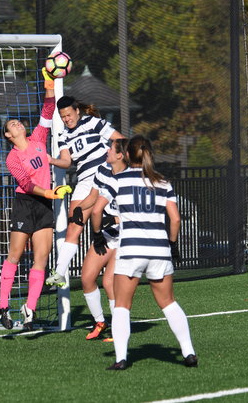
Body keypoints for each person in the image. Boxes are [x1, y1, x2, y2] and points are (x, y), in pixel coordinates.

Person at [91, 135, 197, 370]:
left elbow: (97, 211)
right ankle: (188, 352)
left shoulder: (118, 179)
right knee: (168, 303)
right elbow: (175, 219)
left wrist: (97, 235)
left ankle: (121, 359)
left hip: (131, 251)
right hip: (159, 250)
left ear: (128, 155)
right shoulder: (163, 182)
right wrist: (173, 245)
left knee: (122, 305)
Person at [0, 68, 70, 330]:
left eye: (18, 122)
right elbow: (27, 185)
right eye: (12, 125)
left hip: (44, 206)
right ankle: (3, 306)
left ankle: (30, 309)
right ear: (8, 135)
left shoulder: (38, 138)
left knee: (41, 258)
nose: (17, 124)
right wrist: (50, 192)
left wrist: (49, 84)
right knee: (15, 255)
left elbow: (48, 110)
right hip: (25, 204)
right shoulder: (12, 158)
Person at [45, 96, 124, 287]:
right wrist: (51, 160)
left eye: (69, 115)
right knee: (74, 225)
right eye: (63, 117)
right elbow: (66, 161)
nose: (67, 119)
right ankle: (59, 273)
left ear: (77, 111)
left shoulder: (93, 123)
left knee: (113, 221)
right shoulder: (63, 136)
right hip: (84, 181)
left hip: (105, 175)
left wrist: (116, 165)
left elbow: (121, 140)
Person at [77, 137, 129, 340]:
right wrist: (79, 208)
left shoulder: (133, 177)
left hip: (126, 236)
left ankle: (119, 328)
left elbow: (136, 213)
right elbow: (93, 198)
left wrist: (114, 219)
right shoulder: (103, 170)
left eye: (111, 148)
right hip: (107, 233)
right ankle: (100, 321)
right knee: (87, 277)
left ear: (120, 155)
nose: (107, 150)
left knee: (109, 282)